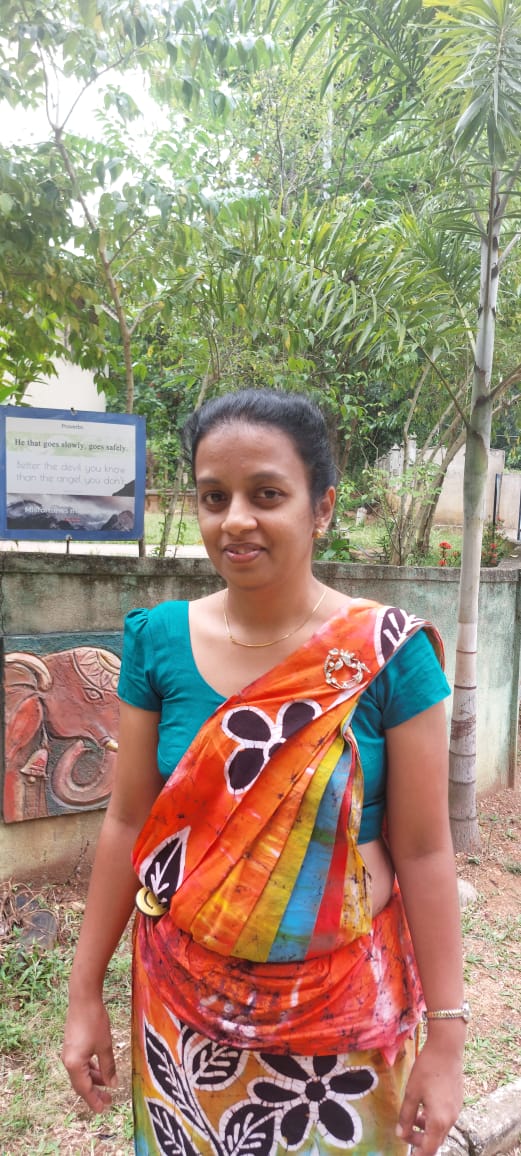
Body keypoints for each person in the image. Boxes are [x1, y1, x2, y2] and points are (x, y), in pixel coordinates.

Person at [62, 388, 467, 1156]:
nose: (235, 520)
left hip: (344, 1027)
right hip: (182, 1023)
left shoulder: (385, 656)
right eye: (214, 497)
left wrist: (446, 1039)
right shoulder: (158, 642)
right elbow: (128, 823)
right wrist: (85, 993)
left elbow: (422, 851)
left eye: (267, 495)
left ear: (322, 509)